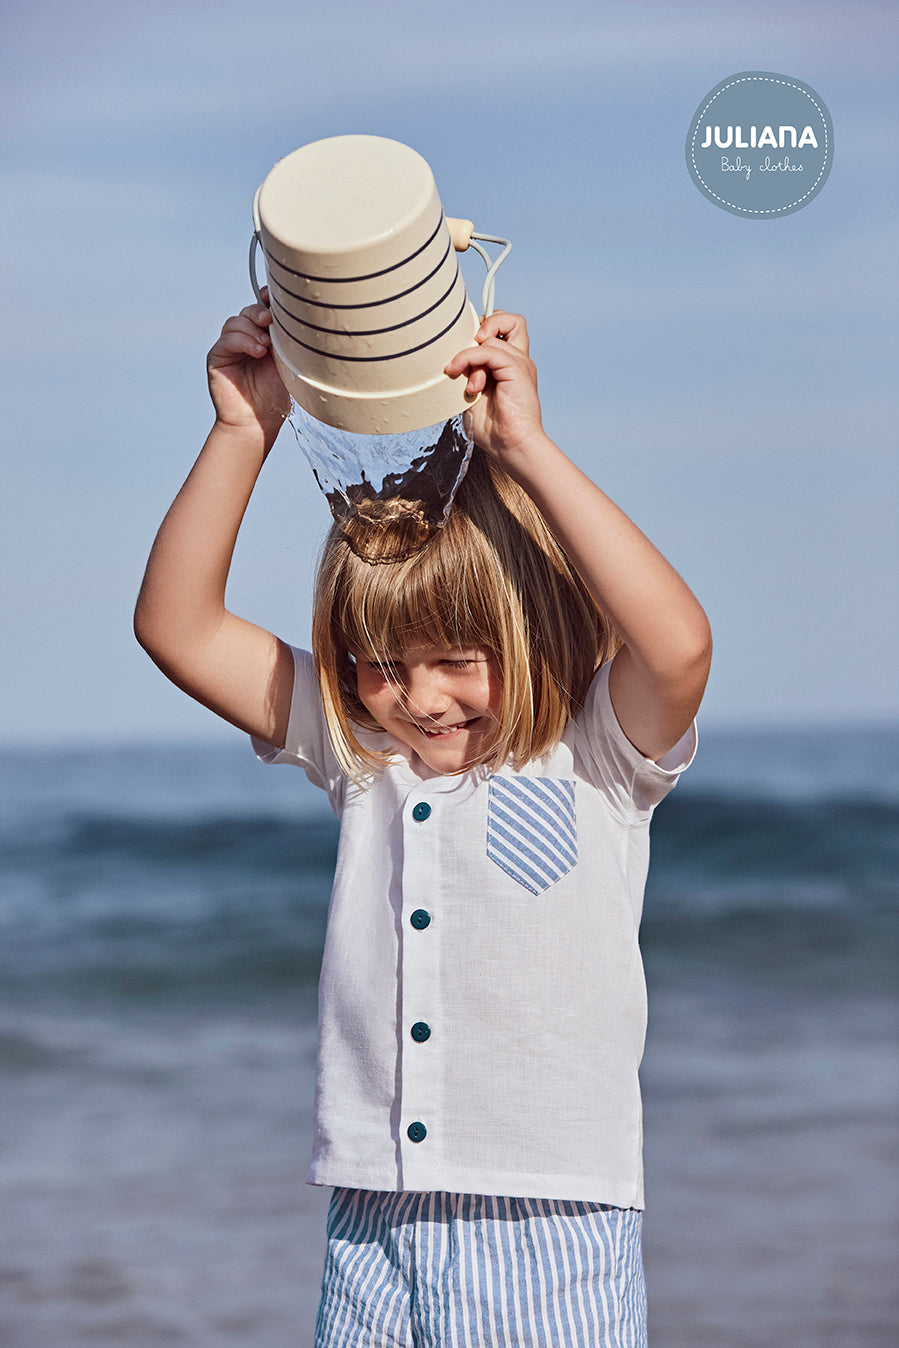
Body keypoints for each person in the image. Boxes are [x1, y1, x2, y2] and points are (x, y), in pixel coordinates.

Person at [135, 298, 712, 1347]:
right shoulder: (361, 751)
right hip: (372, 1219)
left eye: (457, 659)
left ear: (530, 632)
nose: (419, 696)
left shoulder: (595, 752)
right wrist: (242, 430)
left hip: (551, 1222)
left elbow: (676, 647)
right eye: (381, 662)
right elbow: (177, 627)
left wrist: (526, 450)